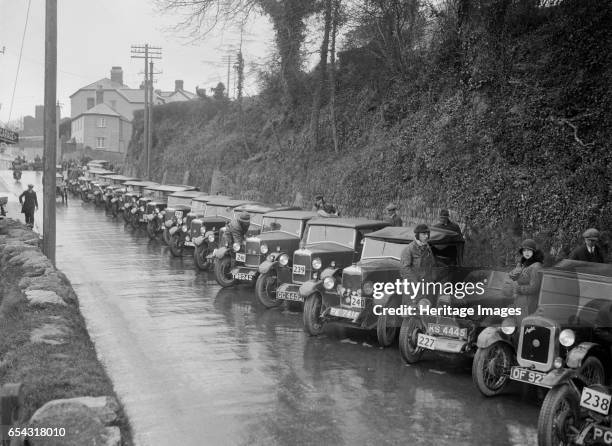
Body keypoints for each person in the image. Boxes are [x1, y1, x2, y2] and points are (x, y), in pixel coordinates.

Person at [509, 239, 544, 317]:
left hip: (528, 303)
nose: (526, 253)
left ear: (534, 252)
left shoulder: (536, 267)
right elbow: (513, 276)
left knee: (523, 325)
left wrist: (519, 289)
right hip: (520, 301)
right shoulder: (525, 264)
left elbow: (534, 288)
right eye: (524, 250)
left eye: (529, 250)